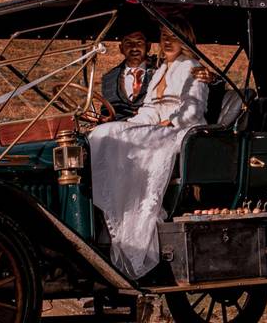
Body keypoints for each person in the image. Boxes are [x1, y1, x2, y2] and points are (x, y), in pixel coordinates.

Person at [88, 16, 208, 279]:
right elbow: (150, 109)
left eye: (173, 36)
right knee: (106, 133)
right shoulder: (162, 71)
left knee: (126, 137)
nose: (167, 41)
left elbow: (194, 109)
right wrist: (132, 124)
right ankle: (115, 210)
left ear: (185, 39)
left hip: (181, 131)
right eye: (164, 36)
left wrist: (169, 122)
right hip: (158, 127)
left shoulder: (193, 68)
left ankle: (141, 216)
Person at [100, 31, 156, 119]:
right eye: (128, 43)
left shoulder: (160, 71)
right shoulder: (109, 79)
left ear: (148, 46)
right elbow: (106, 111)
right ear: (121, 48)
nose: (134, 48)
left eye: (139, 42)